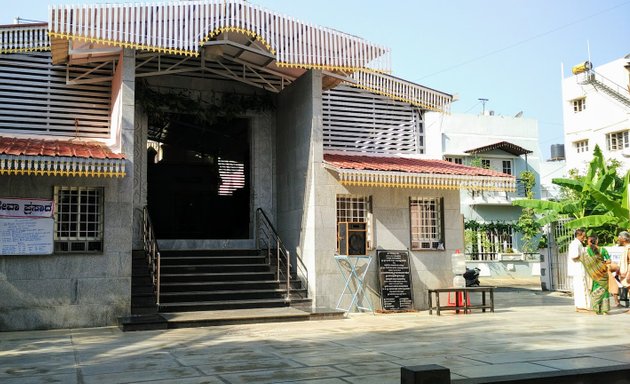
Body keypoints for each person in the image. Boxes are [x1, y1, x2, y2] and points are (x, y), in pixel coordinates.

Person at [582, 235, 611, 315]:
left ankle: (596, 310)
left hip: (595, 274)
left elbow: (585, 261)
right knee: (604, 290)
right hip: (603, 273)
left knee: (595, 289)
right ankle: (605, 310)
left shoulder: (587, 251)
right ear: (597, 241)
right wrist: (602, 263)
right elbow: (609, 261)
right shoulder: (603, 250)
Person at [568, 228, 589, 312]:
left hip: (579, 268)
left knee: (580, 287)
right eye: (583, 236)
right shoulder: (575, 244)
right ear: (579, 235)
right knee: (580, 287)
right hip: (578, 269)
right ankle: (581, 306)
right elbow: (574, 256)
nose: (584, 238)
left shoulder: (578, 243)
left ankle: (580, 306)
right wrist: (585, 256)